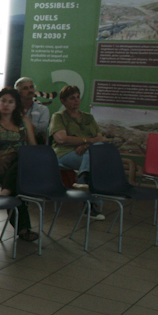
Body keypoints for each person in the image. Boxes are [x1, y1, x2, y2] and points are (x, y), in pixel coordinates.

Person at [0, 88, 37, 242]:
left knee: (20, 158)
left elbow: (33, 147)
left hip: (23, 163)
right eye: (3, 101)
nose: (6, 105)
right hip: (1, 163)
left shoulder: (24, 121)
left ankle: (6, 190)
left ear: (16, 105)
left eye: (10, 102)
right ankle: (24, 230)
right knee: (17, 188)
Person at [49, 85, 106, 218]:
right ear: (63, 101)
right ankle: (90, 203)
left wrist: (85, 145)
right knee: (95, 161)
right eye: (72, 98)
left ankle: (83, 181)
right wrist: (87, 141)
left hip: (85, 153)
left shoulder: (88, 117)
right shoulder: (59, 116)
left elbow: (99, 138)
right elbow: (62, 139)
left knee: (95, 153)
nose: (77, 100)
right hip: (64, 153)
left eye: (78, 97)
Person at [16, 77, 50, 144]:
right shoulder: (14, 109)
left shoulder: (43, 109)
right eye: (25, 88)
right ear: (18, 92)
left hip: (37, 142)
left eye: (31, 87)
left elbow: (42, 128)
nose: (30, 90)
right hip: (16, 141)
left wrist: (22, 128)